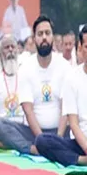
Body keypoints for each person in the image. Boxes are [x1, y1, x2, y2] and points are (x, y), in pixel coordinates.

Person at [0, 16, 64, 155]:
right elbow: (28, 110)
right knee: (0, 126)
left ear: (53, 37)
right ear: (34, 38)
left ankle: (55, 148)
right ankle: (34, 150)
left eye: (47, 33)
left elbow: (66, 108)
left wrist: (59, 139)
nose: (44, 37)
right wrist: (42, 140)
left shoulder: (64, 66)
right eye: (40, 34)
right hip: (34, 134)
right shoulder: (26, 68)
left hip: (62, 132)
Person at [34, 27, 87, 167]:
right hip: (81, 143)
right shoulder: (72, 78)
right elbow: (74, 124)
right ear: (80, 48)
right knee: (42, 141)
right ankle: (80, 160)